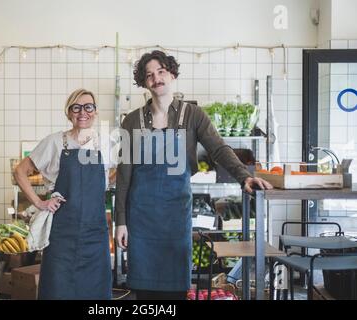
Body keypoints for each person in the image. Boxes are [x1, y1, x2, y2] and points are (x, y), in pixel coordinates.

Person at [115, 50, 273, 300]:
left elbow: (219, 149)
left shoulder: (193, 116)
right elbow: (124, 175)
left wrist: (244, 177)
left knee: (176, 289)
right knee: (143, 292)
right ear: (144, 82)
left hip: (175, 216)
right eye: (149, 75)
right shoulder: (132, 122)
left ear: (172, 74)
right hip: (141, 218)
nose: (156, 78)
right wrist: (120, 221)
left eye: (161, 71)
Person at [14, 88, 112, 300]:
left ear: (95, 111)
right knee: (58, 290)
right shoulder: (55, 142)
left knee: (95, 293)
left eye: (88, 107)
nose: (82, 112)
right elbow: (20, 171)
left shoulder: (105, 144)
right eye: (76, 107)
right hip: (62, 235)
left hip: (95, 234)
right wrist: (40, 203)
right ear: (69, 113)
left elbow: (116, 173)